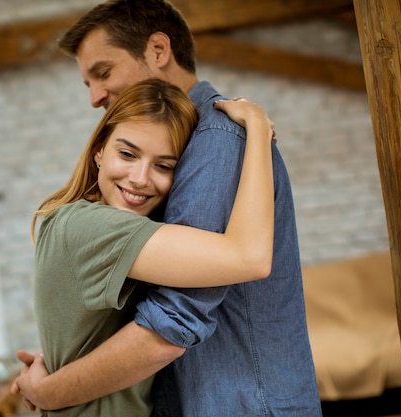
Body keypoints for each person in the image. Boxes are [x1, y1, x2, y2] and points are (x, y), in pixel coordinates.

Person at [13, 0, 323, 416]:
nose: (94, 97)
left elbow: (175, 319)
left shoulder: (216, 139)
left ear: (159, 51)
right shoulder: (189, 141)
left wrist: (52, 393)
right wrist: (66, 350)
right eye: (128, 153)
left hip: (242, 404)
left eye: (103, 73)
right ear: (102, 152)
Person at [22, 77, 275, 416]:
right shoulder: (86, 226)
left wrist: (48, 373)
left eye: (164, 166)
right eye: (127, 154)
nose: (140, 178)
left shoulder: (90, 223)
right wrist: (257, 127)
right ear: (99, 150)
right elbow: (251, 257)